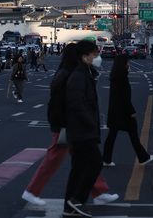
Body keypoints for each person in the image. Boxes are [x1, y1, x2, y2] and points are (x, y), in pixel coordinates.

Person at [22, 44, 117, 207]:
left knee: (85, 160)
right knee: (57, 159)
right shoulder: (70, 75)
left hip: (70, 124)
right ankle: (32, 191)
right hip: (67, 125)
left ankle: (99, 192)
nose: (95, 58)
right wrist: (63, 125)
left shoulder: (70, 72)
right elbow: (61, 104)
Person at [62, 40, 103, 218]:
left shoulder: (85, 73)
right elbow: (76, 104)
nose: (97, 58)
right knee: (95, 163)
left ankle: (69, 206)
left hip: (80, 130)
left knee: (78, 168)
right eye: (94, 55)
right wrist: (91, 123)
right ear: (85, 56)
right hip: (82, 131)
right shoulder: (79, 76)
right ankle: (77, 199)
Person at [102, 54, 153, 166]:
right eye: (127, 63)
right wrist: (131, 111)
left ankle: (106, 159)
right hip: (124, 113)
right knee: (133, 135)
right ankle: (143, 157)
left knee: (112, 136)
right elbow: (124, 97)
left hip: (115, 112)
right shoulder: (122, 78)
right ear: (123, 64)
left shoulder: (115, 76)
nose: (128, 65)